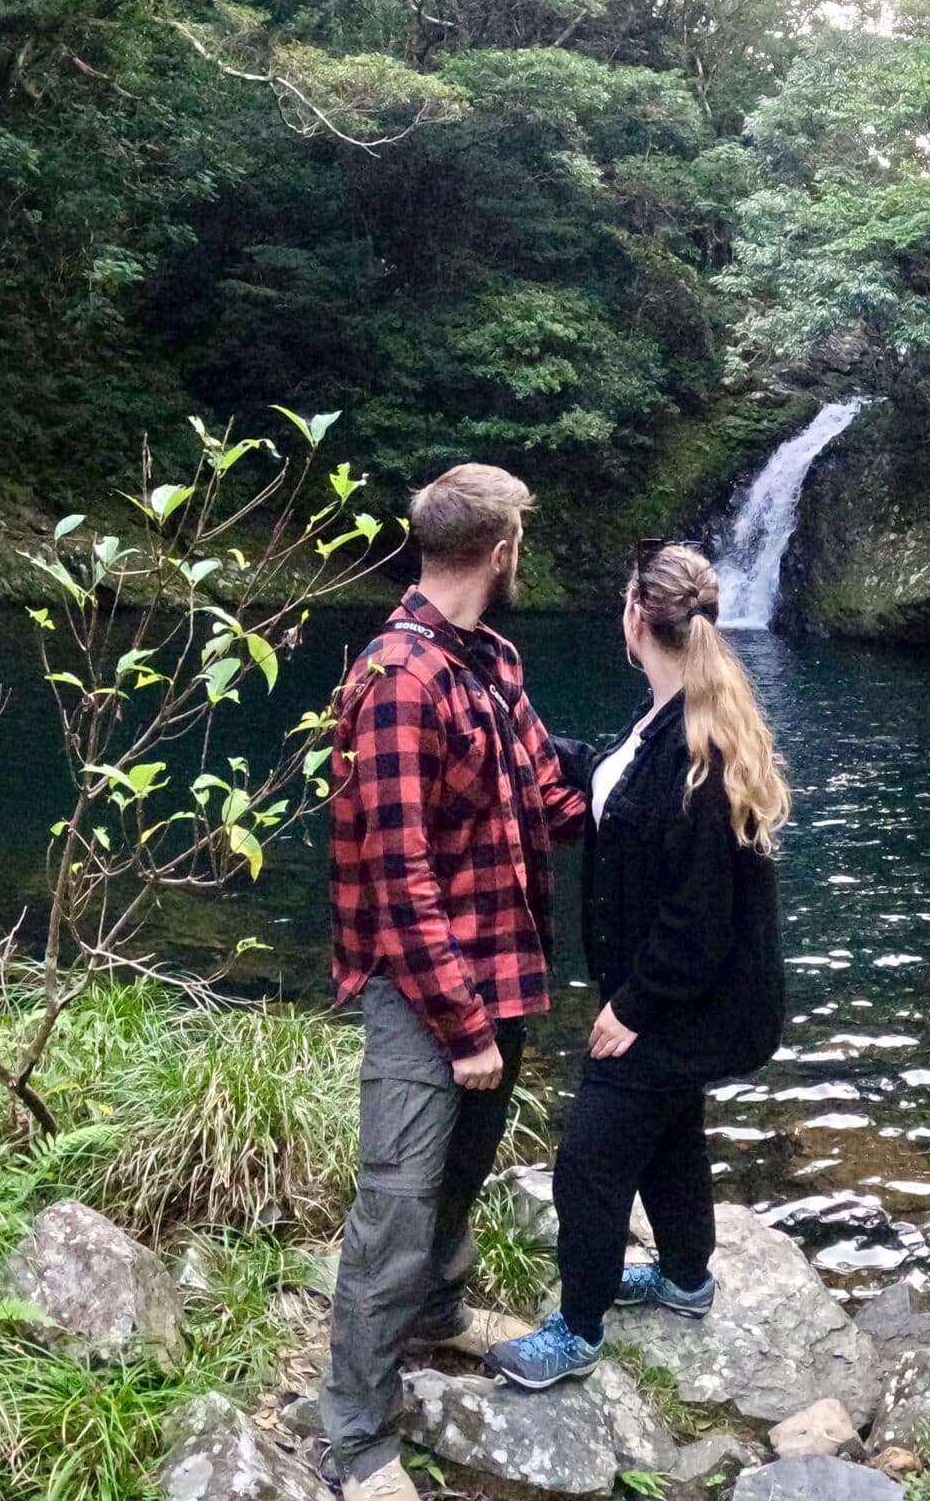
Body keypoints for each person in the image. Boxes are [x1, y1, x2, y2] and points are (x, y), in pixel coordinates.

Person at [319, 464, 591, 1501]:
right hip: (427, 994)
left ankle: (438, 1313)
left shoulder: (491, 661)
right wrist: (462, 1022)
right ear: (502, 549)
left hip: (503, 971)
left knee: (461, 1172)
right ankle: (356, 1437)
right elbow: (399, 873)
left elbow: (547, 798)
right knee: (393, 1204)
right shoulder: (397, 678)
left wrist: (667, 779)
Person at [486, 541, 790, 1390]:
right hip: (700, 1002)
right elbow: (608, 776)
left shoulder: (700, 759)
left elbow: (698, 924)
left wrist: (632, 1009)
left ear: (633, 619)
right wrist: (524, 732)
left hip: (689, 1002)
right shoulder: (674, 718)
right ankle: (688, 1279)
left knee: (589, 1158)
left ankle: (576, 1331)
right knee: (670, 1126)